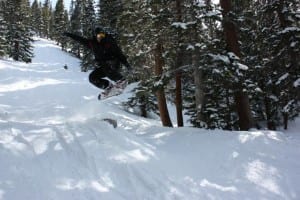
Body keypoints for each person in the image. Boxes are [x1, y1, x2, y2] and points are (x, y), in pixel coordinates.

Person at [63, 27, 131, 98]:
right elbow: (80, 39)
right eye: (99, 35)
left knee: (107, 65)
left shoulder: (109, 42)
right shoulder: (92, 43)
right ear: (95, 35)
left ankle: (121, 80)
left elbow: (119, 54)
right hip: (105, 67)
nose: (101, 37)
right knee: (92, 77)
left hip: (113, 64)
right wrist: (68, 34)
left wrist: (127, 65)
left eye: (102, 35)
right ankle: (108, 87)